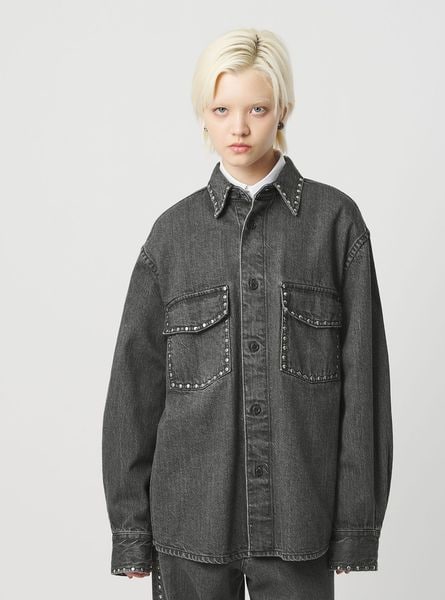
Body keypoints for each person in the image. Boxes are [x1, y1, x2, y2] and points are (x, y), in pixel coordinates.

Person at [101, 27, 393, 600]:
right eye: (222, 110)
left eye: (256, 109)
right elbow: (133, 392)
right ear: (203, 115)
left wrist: (356, 528)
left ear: (283, 109)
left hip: (301, 524)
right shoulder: (171, 237)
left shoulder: (336, 225)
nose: (238, 127)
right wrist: (131, 530)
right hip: (190, 529)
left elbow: (364, 388)